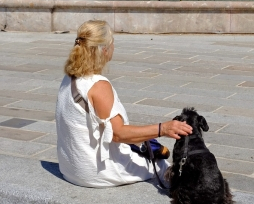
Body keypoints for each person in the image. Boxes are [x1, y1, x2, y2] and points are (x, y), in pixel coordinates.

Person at [55, 20, 192, 188]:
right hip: (94, 172)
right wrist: (163, 129)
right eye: (112, 43)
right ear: (104, 50)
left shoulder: (69, 77)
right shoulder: (98, 85)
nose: (114, 47)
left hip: (70, 168)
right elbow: (118, 134)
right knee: (162, 167)